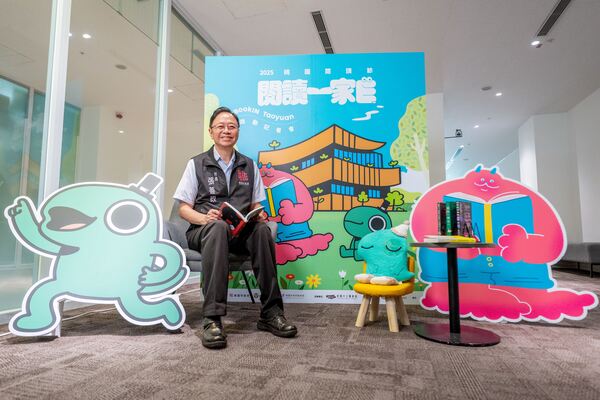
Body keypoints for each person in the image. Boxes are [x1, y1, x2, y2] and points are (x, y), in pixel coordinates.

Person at [173, 106, 297, 349]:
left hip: (239, 231)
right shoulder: (196, 164)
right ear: (211, 131)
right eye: (220, 126)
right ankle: (212, 318)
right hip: (205, 231)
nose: (226, 131)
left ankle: (271, 313)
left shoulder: (248, 165)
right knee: (218, 227)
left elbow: (256, 204)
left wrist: (259, 214)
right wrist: (203, 218)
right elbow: (183, 209)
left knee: (262, 231)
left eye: (231, 126)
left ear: (238, 131)